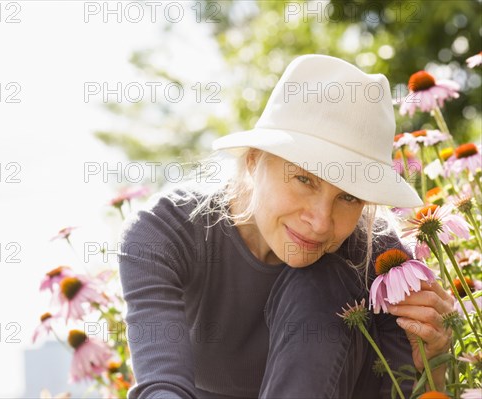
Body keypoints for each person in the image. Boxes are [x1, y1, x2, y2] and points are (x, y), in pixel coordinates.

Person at [117, 54, 454, 398]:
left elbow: (398, 391)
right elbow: (161, 386)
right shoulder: (164, 235)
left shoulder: (381, 261)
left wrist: (432, 365)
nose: (321, 222)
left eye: (349, 197)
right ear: (253, 159)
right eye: (304, 179)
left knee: (322, 279)